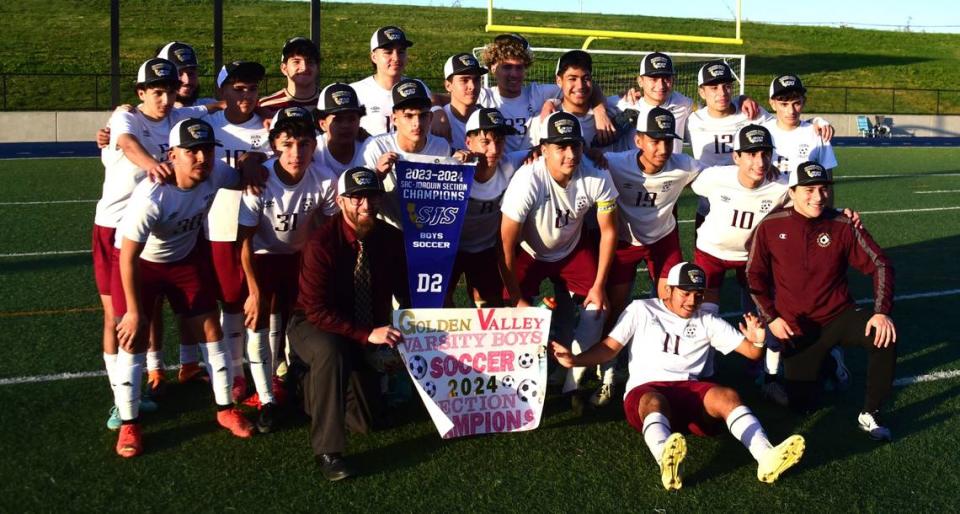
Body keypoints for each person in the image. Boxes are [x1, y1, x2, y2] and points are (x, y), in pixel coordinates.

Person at [551, 262, 805, 490]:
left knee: (727, 396)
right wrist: (575, 360)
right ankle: (666, 460)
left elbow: (750, 353)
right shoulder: (641, 309)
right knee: (653, 401)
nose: (692, 301)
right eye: (685, 293)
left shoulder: (707, 319)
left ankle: (766, 456)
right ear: (668, 290)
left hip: (690, 389)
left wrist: (758, 341)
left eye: (698, 294)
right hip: (646, 389)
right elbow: (609, 348)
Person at [111, 118, 252, 457]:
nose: (201, 158)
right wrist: (133, 311)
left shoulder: (215, 172)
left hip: (184, 260)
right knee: (135, 336)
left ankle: (224, 409)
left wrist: (255, 163)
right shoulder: (153, 195)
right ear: (173, 154)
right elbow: (127, 256)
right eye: (192, 151)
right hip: (141, 264)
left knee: (210, 329)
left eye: (206, 149)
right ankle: (130, 423)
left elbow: (241, 173)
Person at [94, 58, 218, 430]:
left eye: (169, 90)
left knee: (155, 305)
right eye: (157, 91)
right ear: (141, 92)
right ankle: (122, 400)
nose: (164, 98)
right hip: (116, 225)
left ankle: (154, 374)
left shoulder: (180, 117)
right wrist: (153, 164)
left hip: (163, 227)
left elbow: (216, 107)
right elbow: (128, 143)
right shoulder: (126, 117)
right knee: (119, 314)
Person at [746, 161, 897, 441]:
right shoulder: (770, 225)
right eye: (809, 189)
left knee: (883, 335)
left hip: (839, 316)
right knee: (801, 406)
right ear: (792, 192)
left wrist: (881, 312)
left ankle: (871, 412)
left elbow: (880, 264)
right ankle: (828, 363)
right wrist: (772, 319)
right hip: (797, 325)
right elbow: (754, 274)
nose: (818, 196)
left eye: (823, 189)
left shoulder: (842, 224)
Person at [287, 166, 409, 481]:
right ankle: (329, 452)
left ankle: (306, 388)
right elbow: (315, 310)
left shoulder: (391, 239)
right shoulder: (321, 244)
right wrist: (367, 334)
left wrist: (420, 323)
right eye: (357, 198)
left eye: (371, 196)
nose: (366, 205)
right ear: (341, 201)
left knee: (367, 422)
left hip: (362, 327)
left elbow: (405, 290)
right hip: (314, 325)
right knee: (332, 351)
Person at [499, 112, 618, 395]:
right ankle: (521, 380)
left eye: (574, 145)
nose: (569, 154)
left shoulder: (596, 173)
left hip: (572, 248)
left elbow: (609, 232)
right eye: (560, 147)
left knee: (597, 306)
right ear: (544, 150)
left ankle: (571, 380)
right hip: (530, 252)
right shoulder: (528, 179)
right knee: (511, 310)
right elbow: (505, 242)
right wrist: (516, 298)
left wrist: (600, 286)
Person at [238, 112, 339, 433]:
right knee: (261, 323)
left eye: (304, 144)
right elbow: (244, 242)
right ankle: (267, 398)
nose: (296, 153)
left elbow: (330, 228)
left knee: (303, 321)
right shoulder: (259, 181)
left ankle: (295, 383)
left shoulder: (323, 179)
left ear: (315, 145)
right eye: (288, 144)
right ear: (274, 146)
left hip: (299, 259)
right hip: (262, 259)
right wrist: (253, 292)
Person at [594, 107, 702, 406]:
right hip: (625, 242)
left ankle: (670, 368)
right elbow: (588, 155)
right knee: (614, 307)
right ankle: (608, 370)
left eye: (668, 140)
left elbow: (720, 176)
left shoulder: (684, 165)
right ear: (638, 140)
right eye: (655, 140)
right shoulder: (615, 163)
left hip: (663, 241)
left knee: (673, 303)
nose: (663, 148)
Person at [202, 60, 272, 403]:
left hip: (261, 231)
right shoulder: (205, 123)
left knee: (262, 305)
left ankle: (270, 372)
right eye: (238, 88)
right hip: (219, 226)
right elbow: (167, 116)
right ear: (222, 91)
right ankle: (236, 373)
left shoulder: (269, 127)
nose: (246, 96)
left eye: (252, 89)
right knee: (230, 302)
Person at [477, 34, 614, 153]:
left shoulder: (537, 93)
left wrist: (600, 111)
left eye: (519, 68)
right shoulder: (483, 97)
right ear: (492, 67)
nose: (514, 74)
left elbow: (583, 86)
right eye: (507, 67)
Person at [447, 107, 522, 307]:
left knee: (490, 308)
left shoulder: (511, 164)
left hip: (485, 249)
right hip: (450, 249)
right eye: (485, 142)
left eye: (499, 141)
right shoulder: (451, 171)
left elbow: (544, 150)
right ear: (468, 142)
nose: (494, 150)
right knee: (440, 306)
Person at [361, 78, 454, 229]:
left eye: (423, 115)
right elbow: (360, 199)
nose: (417, 123)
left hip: (426, 228)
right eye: (409, 116)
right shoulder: (375, 147)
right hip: (387, 230)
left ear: (430, 118)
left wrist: (457, 167)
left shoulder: (441, 147)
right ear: (394, 119)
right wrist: (377, 175)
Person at [529, 50, 632, 153]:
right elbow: (531, 157)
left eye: (585, 78)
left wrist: (601, 110)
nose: (580, 86)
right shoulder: (544, 120)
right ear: (559, 81)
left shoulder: (613, 112)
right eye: (572, 79)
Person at [351, 26, 428, 137]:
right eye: (388, 52)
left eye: (401, 52)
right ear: (374, 57)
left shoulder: (417, 87)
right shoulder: (356, 91)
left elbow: (435, 100)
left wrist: (437, 109)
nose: (396, 58)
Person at [432, 52, 488, 151]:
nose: (472, 86)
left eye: (476, 79)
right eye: (464, 80)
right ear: (448, 85)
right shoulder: (437, 121)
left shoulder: (488, 119)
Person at [259, 37, 321, 120]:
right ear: (284, 68)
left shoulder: (331, 102)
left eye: (310, 62)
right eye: (296, 62)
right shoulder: (266, 107)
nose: (304, 68)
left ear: (317, 68)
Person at [156, 41, 216, 107]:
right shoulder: (147, 116)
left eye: (191, 73)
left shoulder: (215, 110)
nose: (187, 81)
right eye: (179, 73)